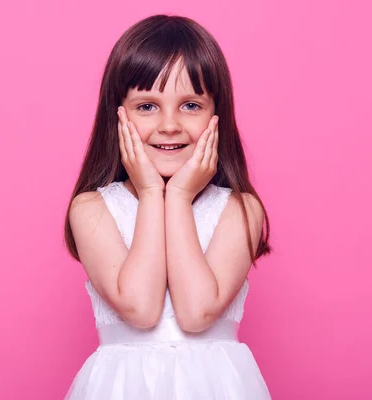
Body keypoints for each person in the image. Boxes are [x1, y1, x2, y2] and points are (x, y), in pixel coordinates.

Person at [63, 14, 272, 400]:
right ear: (118, 116)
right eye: (147, 106)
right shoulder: (92, 209)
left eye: (190, 105)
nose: (170, 125)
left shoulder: (239, 208)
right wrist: (148, 191)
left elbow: (196, 313)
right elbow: (140, 309)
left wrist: (177, 196)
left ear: (216, 116)